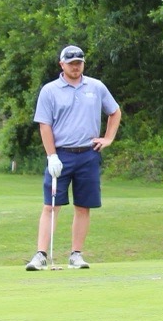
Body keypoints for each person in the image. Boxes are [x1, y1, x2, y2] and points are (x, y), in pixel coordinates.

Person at [25, 45, 122, 271]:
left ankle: (76, 255)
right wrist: (51, 156)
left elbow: (114, 112)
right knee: (51, 206)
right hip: (60, 155)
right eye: (71, 63)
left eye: (79, 63)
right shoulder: (50, 90)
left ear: (83, 64)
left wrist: (108, 138)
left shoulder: (96, 87)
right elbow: (44, 125)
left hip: (88, 153)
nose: (75, 67)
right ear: (62, 65)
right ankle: (40, 255)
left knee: (83, 206)